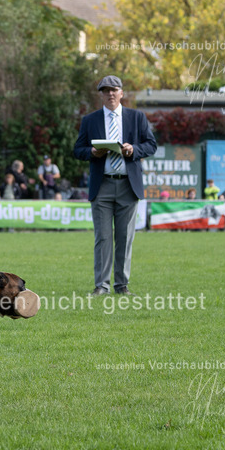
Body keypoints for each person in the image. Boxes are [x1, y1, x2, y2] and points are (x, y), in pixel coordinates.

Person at [73, 74, 157, 296]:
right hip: (102, 186)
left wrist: (134, 150)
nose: (110, 93)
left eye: (114, 89)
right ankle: (101, 285)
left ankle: (122, 285)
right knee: (103, 238)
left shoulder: (137, 117)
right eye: (106, 90)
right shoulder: (90, 120)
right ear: (100, 94)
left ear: (122, 93)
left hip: (128, 185)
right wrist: (91, 152)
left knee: (125, 238)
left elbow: (151, 145)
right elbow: (77, 150)